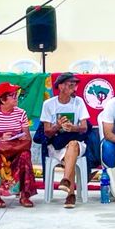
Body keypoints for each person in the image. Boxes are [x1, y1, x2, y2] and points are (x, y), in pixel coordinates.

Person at [38, 72, 91, 209]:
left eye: (75, 85)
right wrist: (58, 126)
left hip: (77, 142)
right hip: (56, 145)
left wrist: (73, 128)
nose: (74, 88)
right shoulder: (49, 104)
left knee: (73, 145)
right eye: (71, 85)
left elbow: (84, 127)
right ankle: (70, 194)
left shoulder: (78, 102)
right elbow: (47, 131)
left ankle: (66, 181)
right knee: (70, 155)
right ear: (61, 86)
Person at [0, 81, 36, 208]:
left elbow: (27, 137)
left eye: (16, 94)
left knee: (25, 155)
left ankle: (25, 195)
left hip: (15, 147)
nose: (16, 97)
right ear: (3, 99)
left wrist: (21, 136)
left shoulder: (21, 113)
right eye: (12, 95)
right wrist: (0, 138)